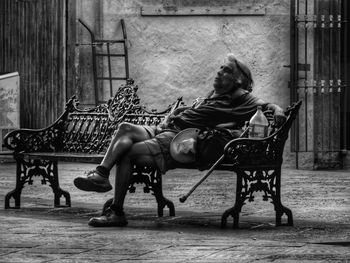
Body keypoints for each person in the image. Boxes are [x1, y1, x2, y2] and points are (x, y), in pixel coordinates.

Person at [73, 54, 286, 227]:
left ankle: (116, 212)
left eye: (227, 70)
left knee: (127, 152)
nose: (220, 72)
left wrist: (277, 111)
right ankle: (101, 174)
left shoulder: (240, 96)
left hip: (177, 139)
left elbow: (267, 106)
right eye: (220, 68)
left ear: (239, 80)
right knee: (124, 128)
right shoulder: (214, 94)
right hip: (166, 129)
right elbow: (203, 114)